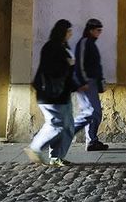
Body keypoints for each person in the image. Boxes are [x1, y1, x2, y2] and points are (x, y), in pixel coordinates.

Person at [25, 19, 86, 167]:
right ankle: (35, 148)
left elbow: (67, 74)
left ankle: (57, 157)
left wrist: (75, 84)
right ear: (62, 32)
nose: (71, 34)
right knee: (56, 125)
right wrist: (68, 64)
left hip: (62, 95)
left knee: (68, 127)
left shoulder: (63, 46)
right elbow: (53, 70)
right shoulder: (51, 47)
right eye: (68, 31)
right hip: (50, 95)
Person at [73, 18, 109, 151]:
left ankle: (92, 140)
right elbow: (80, 63)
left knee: (94, 112)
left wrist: (99, 82)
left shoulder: (91, 44)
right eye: (98, 30)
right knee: (92, 112)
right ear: (91, 30)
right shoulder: (84, 43)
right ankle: (89, 140)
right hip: (86, 83)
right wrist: (83, 82)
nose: (99, 33)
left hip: (92, 82)